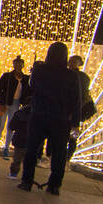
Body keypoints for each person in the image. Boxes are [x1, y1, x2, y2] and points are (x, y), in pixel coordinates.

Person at [18, 42, 82, 195]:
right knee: (59, 153)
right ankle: (54, 185)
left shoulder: (40, 70)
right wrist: (75, 123)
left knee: (32, 149)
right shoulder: (71, 75)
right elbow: (76, 100)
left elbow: (32, 84)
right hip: (60, 119)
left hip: (39, 115)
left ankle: (27, 181)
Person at [0, 56, 30, 159]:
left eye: (20, 64)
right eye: (16, 63)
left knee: (11, 126)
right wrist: (1, 102)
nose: (18, 66)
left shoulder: (25, 78)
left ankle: (6, 148)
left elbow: (27, 92)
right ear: (13, 64)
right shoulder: (7, 76)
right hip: (5, 103)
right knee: (1, 125)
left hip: (16, 103)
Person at [67, 55, 93, 158]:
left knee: (73, 136)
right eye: (71, 61)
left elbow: (84, 95)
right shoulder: (64, 74)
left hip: (75, 110)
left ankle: (68, 158)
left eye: (75, 61)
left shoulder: (83, 77)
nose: (72, 63)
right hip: (65, 109)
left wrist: (79, 107)